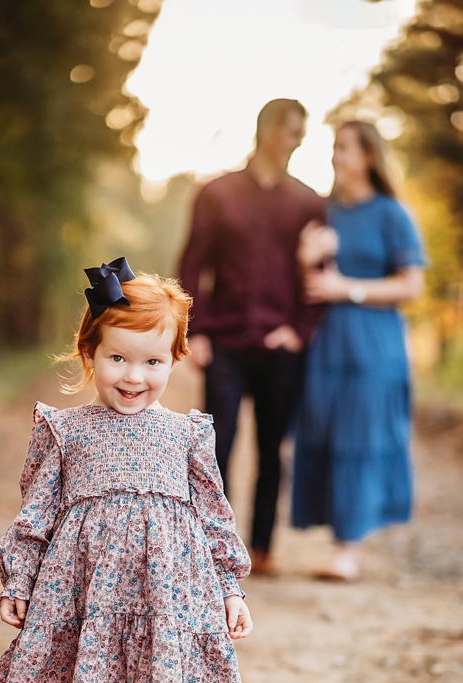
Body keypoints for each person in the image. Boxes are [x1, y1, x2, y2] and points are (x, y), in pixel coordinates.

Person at [0, 258, 252, 683]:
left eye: (153, 362)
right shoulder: (64, 430)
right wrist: (17, 580)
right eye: (119, 359)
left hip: (165, 603)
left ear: (176, 359)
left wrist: (230, 588)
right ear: (90, 352)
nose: (135, 377)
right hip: (90, 602)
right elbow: (36, 513)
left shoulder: (187, 434)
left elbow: (215, 520)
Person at [179, 98, 326, 576]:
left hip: (281, 347)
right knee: (217, 448)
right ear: (267, 130)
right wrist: (193, 331)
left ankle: (262, 550)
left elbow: (318, 273)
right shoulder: (216, 194)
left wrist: (301, 330)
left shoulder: (309, 202)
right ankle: (212, 550)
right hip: (224, 341)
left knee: (271, 449)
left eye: (302, 132)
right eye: (292, 130)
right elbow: (192, 263)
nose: (298, 139)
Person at [291, 121, 425, 581]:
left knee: (360, 435)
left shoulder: (393, 213)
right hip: (327, 343)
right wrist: (306, 259)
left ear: (368, 156)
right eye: (333, 147)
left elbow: (412, 284)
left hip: (375, 343)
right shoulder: (323, 212)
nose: (335, 155)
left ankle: (348, 549)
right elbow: (305, 283)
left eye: (344, 148)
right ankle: (338, 540)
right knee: (327, 431)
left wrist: (348, 288)